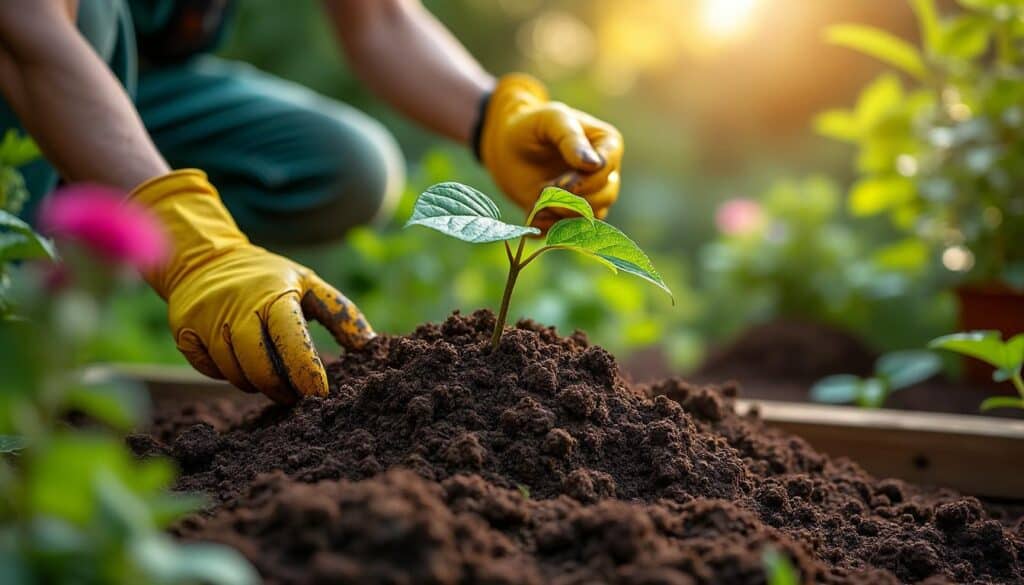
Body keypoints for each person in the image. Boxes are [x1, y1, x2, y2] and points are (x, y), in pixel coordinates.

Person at [0, 0, 624, 404]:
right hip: (31, 50)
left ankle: (104, 241)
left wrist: (497, 114)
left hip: (128, 87)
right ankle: (25, 316)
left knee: (347, 166)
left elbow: (378, 17)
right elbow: (24, 24)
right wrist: (199, 248)